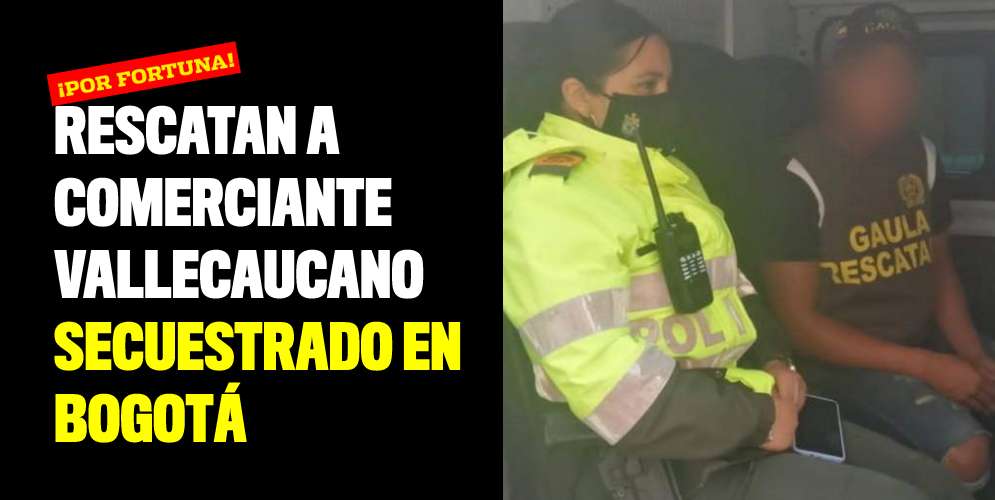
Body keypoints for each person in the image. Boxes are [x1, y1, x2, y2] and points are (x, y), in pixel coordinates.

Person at [503, 1, 970, 498]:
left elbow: (732, 289)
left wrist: (774, 360)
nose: (665, 100)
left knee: (937, 483)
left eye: (667, 84)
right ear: (579, 96)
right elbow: (607, 383)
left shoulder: (664, 174)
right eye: (646, 86)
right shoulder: (551, 197)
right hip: (655, 454)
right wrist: (758, 420)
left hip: (740, 403)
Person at [761, 2, 993, 495]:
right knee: (967, 451)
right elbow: (800, 325)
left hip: (920, 340)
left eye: (904, 75)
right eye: (873, 73)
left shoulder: (921, 154)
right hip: (840, 365)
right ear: (835, 80)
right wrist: (929, 367)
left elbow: (939, 270)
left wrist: (974, 356)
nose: (894, 90)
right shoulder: (793, 175)